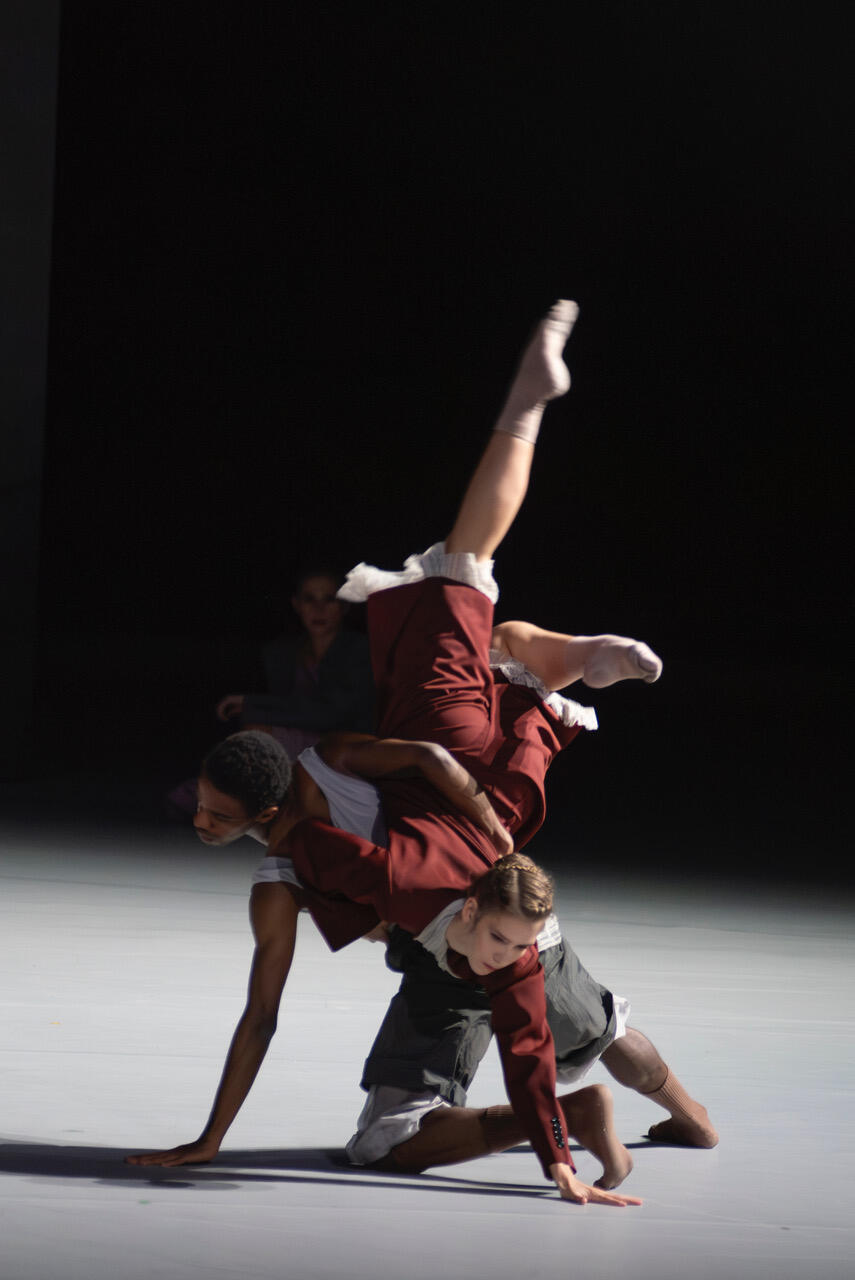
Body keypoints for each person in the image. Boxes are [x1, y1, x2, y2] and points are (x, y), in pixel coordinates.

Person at [128, 299, 715, 1202]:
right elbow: (263, 1012)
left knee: (468, 575)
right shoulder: (312, 818)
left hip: (477, 825)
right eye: (200, 810)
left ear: (260, 808)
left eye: (211, 812)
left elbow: (429, 782)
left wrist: (493, 836)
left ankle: (526, 409)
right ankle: (559, 653)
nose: (196, 822)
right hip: (474, 855)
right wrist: (207, 1139)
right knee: (496, 627)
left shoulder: (321, 830)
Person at [216, 566, 376, 757]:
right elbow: (291, 706)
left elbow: (331, 714)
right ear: (297, 604)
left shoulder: (359, 650)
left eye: (329, 599)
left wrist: (253, 705)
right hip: (300, 739)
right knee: (253, 734)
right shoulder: (281, 653)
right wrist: (251, 704)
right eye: (309, 599)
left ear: (345, 606)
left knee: (257, 729)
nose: (319, 609)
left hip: (346, 747)